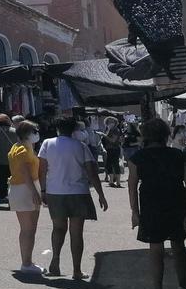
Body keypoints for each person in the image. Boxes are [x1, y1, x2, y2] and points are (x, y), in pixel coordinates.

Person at [128, 118, 186, 289]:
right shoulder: (178, 155)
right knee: (179, 247)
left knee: (155, 248)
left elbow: (132, 187)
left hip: (151, 205)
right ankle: (183, 288)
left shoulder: (137, 158)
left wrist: (135, 212)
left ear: (145, 136)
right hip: (176, 203)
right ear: (166, 135)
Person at [39, 116, 108, 279]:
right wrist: (101, 194)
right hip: (79, 192)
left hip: (55, 192)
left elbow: (41, 169)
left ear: (57, 128)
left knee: (58, 228)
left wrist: (42, 190)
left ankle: (55, 262)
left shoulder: (47, 143)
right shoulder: (81, 146)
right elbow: (92, 172)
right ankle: (76, 270)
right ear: (74, 130)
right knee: (76, 233)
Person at [9, 120, 44, 275]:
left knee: (31, 229)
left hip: (27, 187)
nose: (37, 134)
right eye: (34, 131)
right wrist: (36, 193)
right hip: (25, 189)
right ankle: (26, 263)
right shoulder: (21, 150)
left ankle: (28, 260)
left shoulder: (25, 147)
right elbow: (25, 174)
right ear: (26, 134)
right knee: (27, 229)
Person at [102, 117, 124, 188]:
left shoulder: (115, 130)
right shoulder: (108, 129)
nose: (110, 123)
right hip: (109, 149)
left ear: (115, 123)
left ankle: (118, 182)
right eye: (108, 122)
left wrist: (103, 135)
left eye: (112, 122)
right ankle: (111, 181)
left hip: (114, 149)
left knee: (115, 164)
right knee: (109, 165)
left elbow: (113, 140)